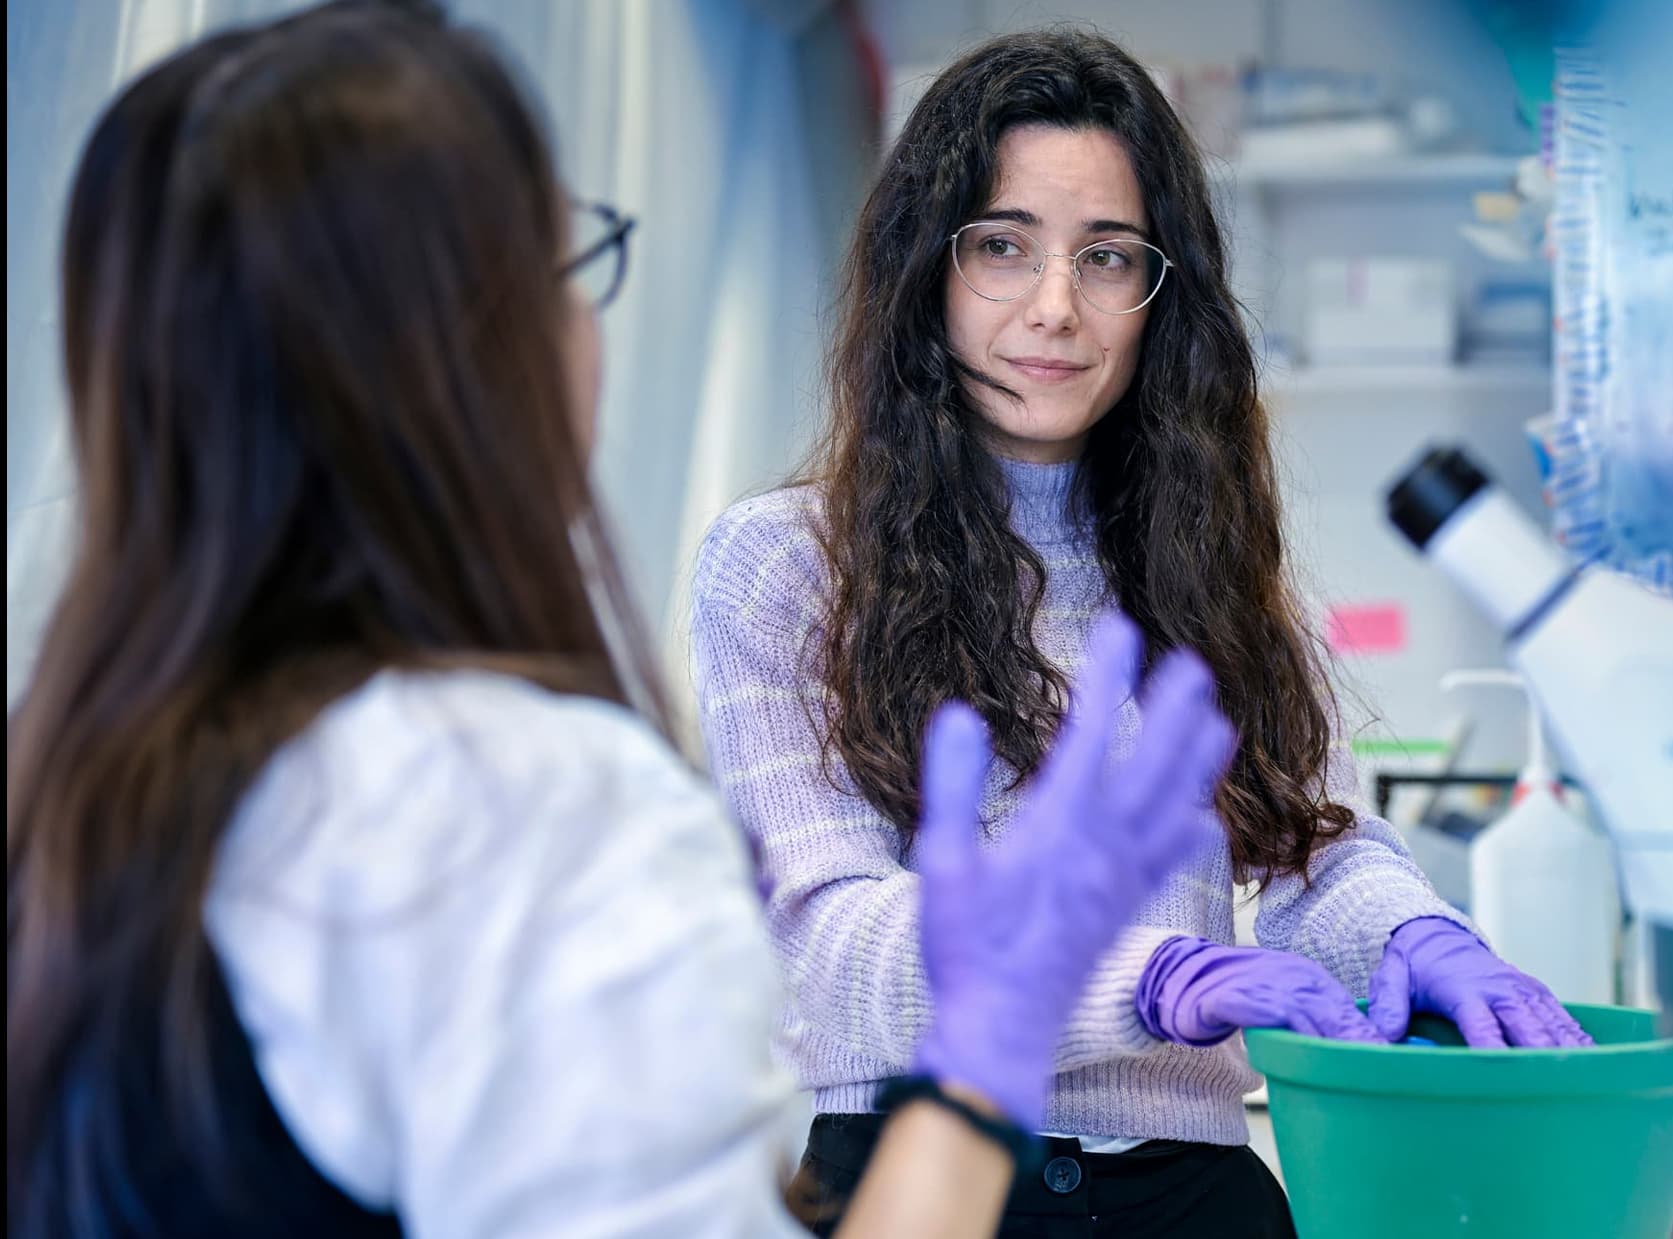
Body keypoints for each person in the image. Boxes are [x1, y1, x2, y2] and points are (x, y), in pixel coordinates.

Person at [3, 4, 1238, 1236]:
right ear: (462, 353)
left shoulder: (71, 788)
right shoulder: (526, 805)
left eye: (1110, 257)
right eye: (567, 263)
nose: (1055, 308)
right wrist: (981, 1063)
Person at [690, 28, 1593, 1236]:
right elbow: (836, 950)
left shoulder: (1207, 564)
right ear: (927, 267)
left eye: (1107, 256)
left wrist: (1413, 928)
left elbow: (1306, 852)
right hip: (924, 1182)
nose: (1056, 309)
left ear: (1159, 294)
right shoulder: (787, 567)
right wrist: (1152, 981)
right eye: (1003, 246)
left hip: (1192, 1198)